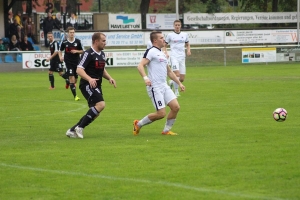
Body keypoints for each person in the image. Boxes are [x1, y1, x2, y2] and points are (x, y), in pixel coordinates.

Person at [133, 31, 185, 136]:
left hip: (164, 85)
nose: (164, 40)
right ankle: (138, 124)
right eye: (161, 38)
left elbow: (169, 72)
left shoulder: (162, 53)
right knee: (161, 114)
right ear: (155, 40)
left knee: (176, 107)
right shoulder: (151, 51)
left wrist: (179, 83)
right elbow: (140, 66)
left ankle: (166, 131)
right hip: (155, 86)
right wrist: (145, 78)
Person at [65, 32, 116, 139]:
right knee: (101, 105)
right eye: (103, 41)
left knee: (95, 112)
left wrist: (110, 78)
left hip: (97, 85)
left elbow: (102, 70)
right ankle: (80, 127)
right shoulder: (88, 53)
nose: (105, 43)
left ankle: (72, 130)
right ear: (96, 41)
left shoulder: (101, 54)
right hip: (87, 85)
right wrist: (89, 79)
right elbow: (79, 70)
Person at [163, 20, 191, 97]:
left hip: (182, 57)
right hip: (174, 56)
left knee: (182, 79)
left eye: (179, 25)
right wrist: (165, 52)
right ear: (174, 26)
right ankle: (176, 91)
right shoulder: (170, 35)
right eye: (176, 25)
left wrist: (188, 50)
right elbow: (164, 45)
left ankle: (172, 82)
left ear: (180, 26)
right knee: (177, 74)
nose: (177, 26)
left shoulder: (184, 35)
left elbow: (187, 44)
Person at [59, 26, 84, 101]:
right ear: (68, 33)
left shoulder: (78, 41)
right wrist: (60, 56)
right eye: (70, 32)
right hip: (68, 62)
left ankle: (69, 82)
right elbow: (60, 50)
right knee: (71, 78)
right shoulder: (64, 42)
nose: (72, 34)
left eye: (73, 32)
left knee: (75, 79)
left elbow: (83, 51)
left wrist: (76, 51)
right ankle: (75, 96)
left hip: (76, 62)